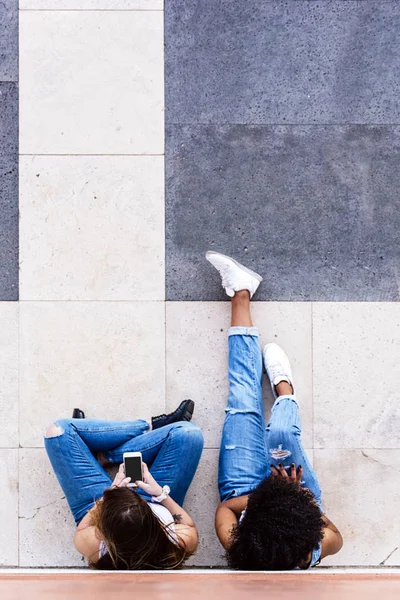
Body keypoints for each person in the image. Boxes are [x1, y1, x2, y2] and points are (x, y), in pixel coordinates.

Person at [207, 251, 343, 570]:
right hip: (297, 494)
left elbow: (225, 511)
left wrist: (263, 498)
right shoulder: (309, 549)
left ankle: (241, 292)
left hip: (246, 492)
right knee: (280, 433)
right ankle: (285, 390)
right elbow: (337, 535)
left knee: (242, 402)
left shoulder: (242, 548)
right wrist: (299, 500)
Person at [44, 400, 204, 570]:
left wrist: (109, 495)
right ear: (153, 521)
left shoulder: (94, 545)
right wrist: (159, 494)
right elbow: (189, 525)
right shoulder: (174, 541)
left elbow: (82, 529)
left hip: (98, 502)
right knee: (189, 433)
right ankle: (126, 442)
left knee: (58, 431)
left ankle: (105, 451)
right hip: (153, 498)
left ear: (104, 530)